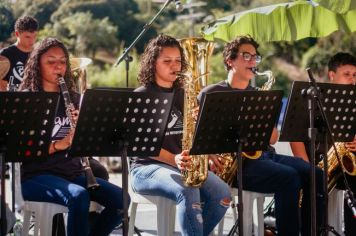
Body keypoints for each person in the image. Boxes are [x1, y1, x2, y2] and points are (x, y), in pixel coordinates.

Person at [197, 35, 325, 236]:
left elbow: (273, 138)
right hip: (236, 165)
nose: (252, 61)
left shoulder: (259, 93)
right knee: (288, 177)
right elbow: (200, 136)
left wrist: (262, 115)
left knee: (315, 174)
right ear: (230, 61)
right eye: (246, 56)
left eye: (255, 57)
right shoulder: (211, 93)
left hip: (263, 156)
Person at [19, 37, 127, 236]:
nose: (58, 66)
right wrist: (59, 145)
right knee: (79, 196)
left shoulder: (74, 99)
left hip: (72, 172)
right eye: (51, 61)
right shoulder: (29, 99)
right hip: (36, 175)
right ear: (37, 65)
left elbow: (91, 144)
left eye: (62, 62)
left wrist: (85, 132)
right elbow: (20, 149)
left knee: (122, 201)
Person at [130, 34, 231, 236]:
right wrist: (173, 159)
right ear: (152, 63)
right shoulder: (142, 95)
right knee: (188, 188)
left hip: (179, 166)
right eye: (167, 61)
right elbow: (139, 145)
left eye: (178, 60)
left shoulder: (183, 93)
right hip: (145, 168)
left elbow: (190, 136)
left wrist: (205, 152)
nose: (174, 66)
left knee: (223, 193)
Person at [291, 52, 356, 236]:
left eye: (354, 75)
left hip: (344, 164)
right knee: (312, 191)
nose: (352, 79)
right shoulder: (312, 98)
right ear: (332, 75)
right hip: (316, 163)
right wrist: (306, 166)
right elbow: (295, 136)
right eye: (347, 74)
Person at [0, 15, 38, 91]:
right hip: (10, 100)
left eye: (34, 36)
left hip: (34, 100)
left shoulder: (38, 54)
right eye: (27, 37)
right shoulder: (5, 55)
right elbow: (2, 86)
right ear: (17, 34)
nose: (32, 41)